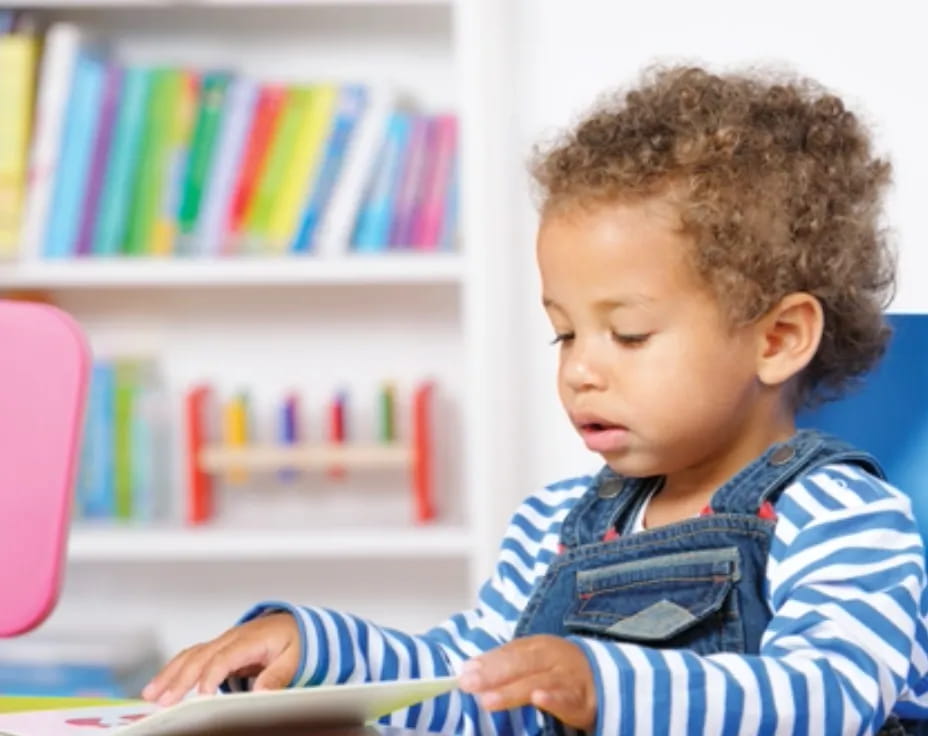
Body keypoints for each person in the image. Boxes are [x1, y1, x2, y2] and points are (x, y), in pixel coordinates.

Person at [142, 66, 928, 735]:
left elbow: (830, 695)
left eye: (627, 335)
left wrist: (602, 685)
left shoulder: (841, 515)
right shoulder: (555, 526)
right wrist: (315, 651)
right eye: (564, 335)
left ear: (778, 338)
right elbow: (472, 683)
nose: (582, 371)